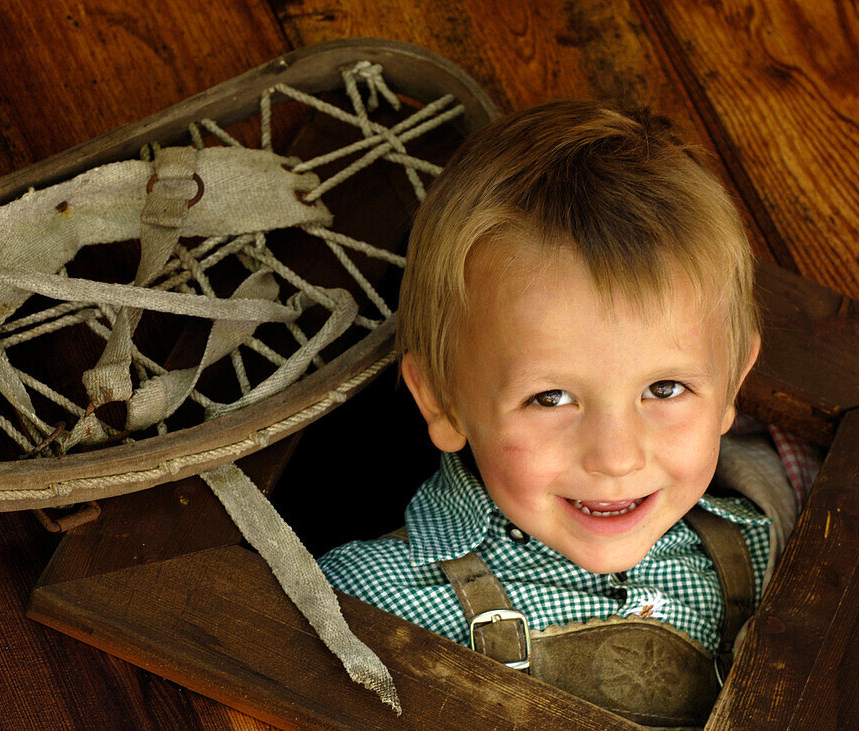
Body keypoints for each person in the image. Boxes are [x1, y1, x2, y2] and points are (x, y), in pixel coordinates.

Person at [319, 100, 816, 725]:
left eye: (664, 389)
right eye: (550, 398)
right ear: (442, 401)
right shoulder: (365, 603)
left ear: (732, 384)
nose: (615, 456)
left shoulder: (772, 554)